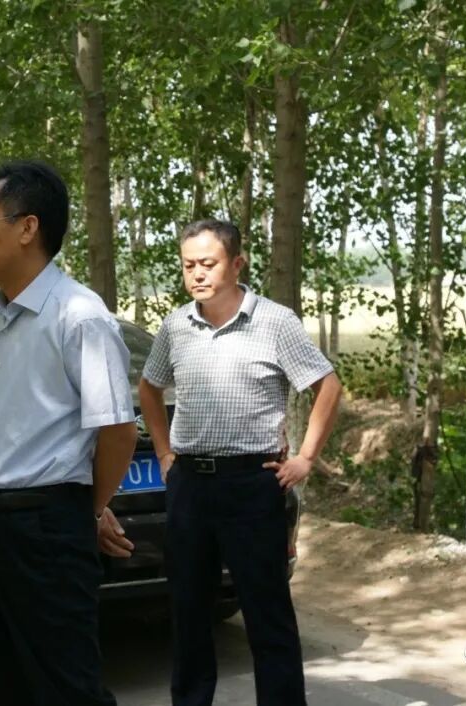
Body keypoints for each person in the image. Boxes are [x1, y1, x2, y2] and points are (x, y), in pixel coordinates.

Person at [135, 219, 342, 706]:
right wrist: (164, 453)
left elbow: (327, 385)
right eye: (189, 265)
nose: (197, 274)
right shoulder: (176, 326)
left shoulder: (275, 322)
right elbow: (149, 386)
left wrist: (306, 457)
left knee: (267, 614)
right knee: (188, 612)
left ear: (236, 264)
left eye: (208, 264)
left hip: (253, 485)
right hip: (189, 485)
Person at [0, 159, 137, 706]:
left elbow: (117, 429)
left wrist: (87, 508)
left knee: (64, 685)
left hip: (44, 527)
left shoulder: (79, 315)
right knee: (10, 682)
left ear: (27, 227)